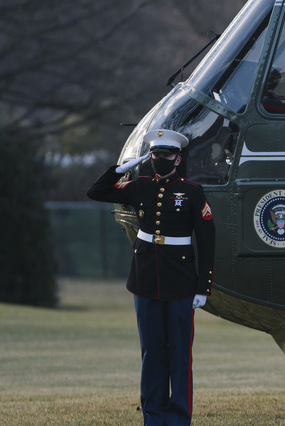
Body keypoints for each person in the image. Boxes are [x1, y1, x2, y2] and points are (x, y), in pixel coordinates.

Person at [86, 128, 215, 426]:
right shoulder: (139, 185)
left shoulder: (192, 192)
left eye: (165, 155)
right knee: (152, 354)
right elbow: (96, 192)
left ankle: (179, 418)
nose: (160, 159)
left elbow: (207, 240)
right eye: (155, 155)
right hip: (145, 280)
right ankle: (153, 418)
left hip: (181, 282)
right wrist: (120, 170)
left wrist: (203, 285)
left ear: (177, 158)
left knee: (179, 355)